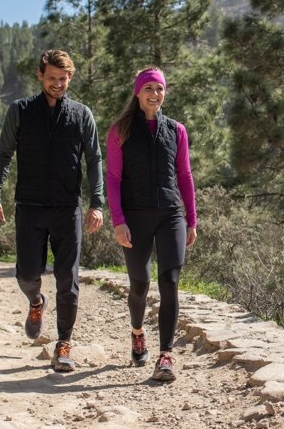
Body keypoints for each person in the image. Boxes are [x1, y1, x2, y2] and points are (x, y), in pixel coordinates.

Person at [0, 49, 104, 372]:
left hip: (68, 209)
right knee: (26, 274)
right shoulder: (20, 111)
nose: (57, 84)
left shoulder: (81, 114)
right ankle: (36, 302)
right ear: (40, 76)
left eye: (63, 79)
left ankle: (63, 343)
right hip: (30, 206)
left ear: (71, 77)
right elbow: (3, 155)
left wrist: (97, 203)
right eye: (51, 78)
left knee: (68, 279)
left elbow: (93, 160)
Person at [106, 67, 197, 382]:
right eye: (149, 89)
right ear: (138, 92)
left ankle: (166, 355)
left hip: (170, 214)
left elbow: (184, 176)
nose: (155, 95)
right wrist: (118, 221)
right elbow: (113, 179)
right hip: (134, 217)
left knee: (169, 282)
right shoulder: (121, 130)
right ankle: (137, 331)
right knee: (140, 284)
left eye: (159, 89)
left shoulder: (177, 130)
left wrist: (191, 219)